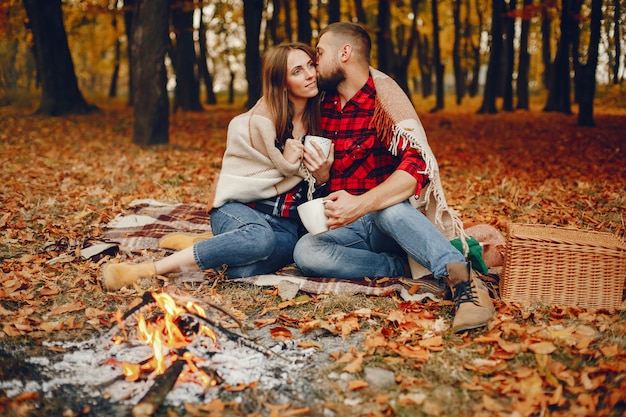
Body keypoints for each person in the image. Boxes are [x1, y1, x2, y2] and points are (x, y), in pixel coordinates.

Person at [295, 22, 495, 333]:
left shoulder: (384, 102)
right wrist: (321, 178)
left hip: (389, 222)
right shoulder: (324, 105)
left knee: (388, 208)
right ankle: (402, 266)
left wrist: (361, 204)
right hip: (347, 229)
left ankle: (464, 282)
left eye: (320, 53)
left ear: (344, 53)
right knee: (305, 251)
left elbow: (418, 168)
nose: (315, 62)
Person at [102, 42, 323, 291]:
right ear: (281, 82)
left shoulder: (321, 122)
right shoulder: (258, 125)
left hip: (284, 226)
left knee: (244, 270)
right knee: (258, 239)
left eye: (311, 65)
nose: (310, 74)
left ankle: (208, 244)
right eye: (297, 71)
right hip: (240, 209)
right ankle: (144, 271)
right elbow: (241, 170)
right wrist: (286, 158)